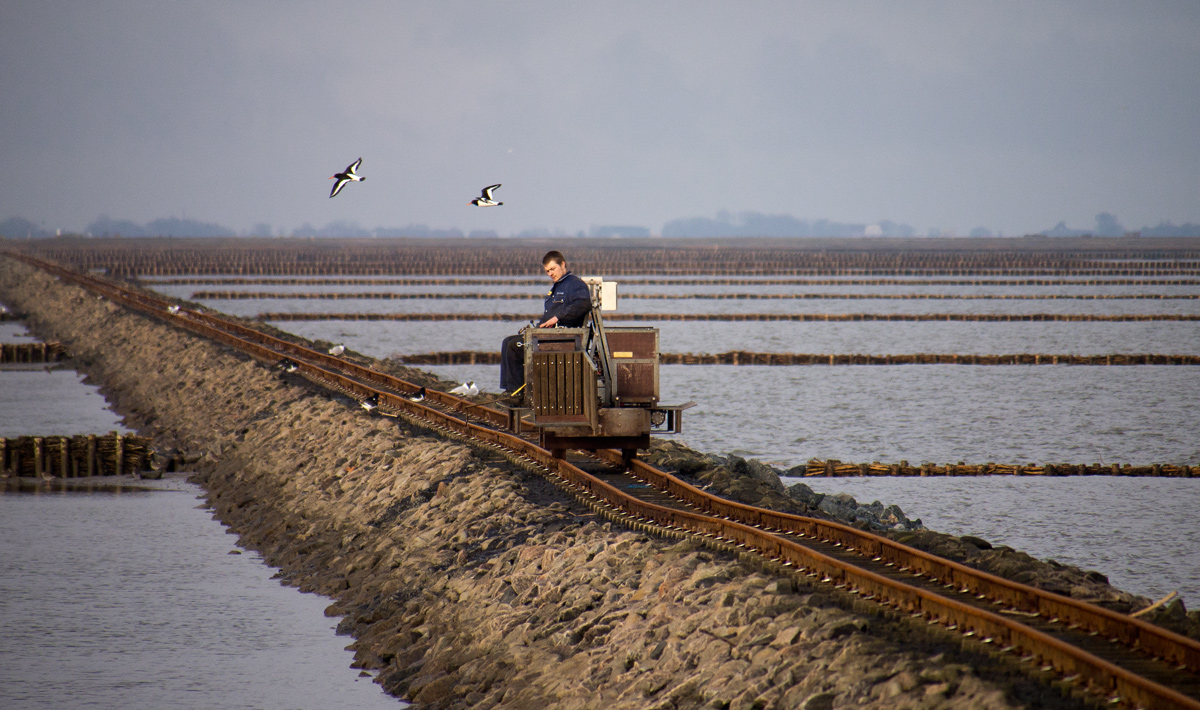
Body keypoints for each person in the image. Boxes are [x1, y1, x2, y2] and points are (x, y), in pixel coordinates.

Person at [500, 250, 592, 393]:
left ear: (562, 264)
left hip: (563, 338)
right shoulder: (557, 286)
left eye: (552, 269)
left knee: (514, 346)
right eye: (547, 271)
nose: (550, 273)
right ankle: (509, 389)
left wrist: (558, 317)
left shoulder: (575, 284)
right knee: (507, 341)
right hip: (548, 335)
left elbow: (583, 304)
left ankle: (516, 392)